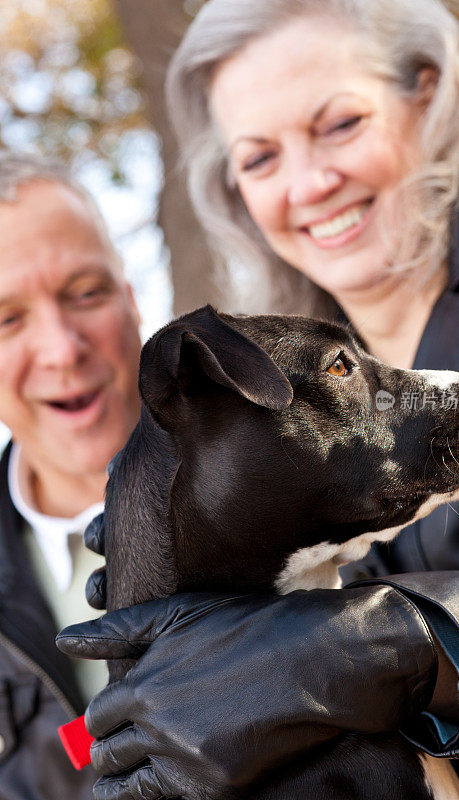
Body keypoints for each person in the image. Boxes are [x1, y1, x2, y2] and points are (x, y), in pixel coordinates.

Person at [58, 1, 459, 799]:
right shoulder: (260, 398)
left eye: (340, 124)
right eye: (259, 158)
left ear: (427, 97)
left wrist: (409, 644)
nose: (310, 184)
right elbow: (91, 740)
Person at [0, 152, 142, 799]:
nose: (61, 348)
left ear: (132, 301)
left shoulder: (302, 487)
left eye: (85, 293)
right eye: (7, 319)